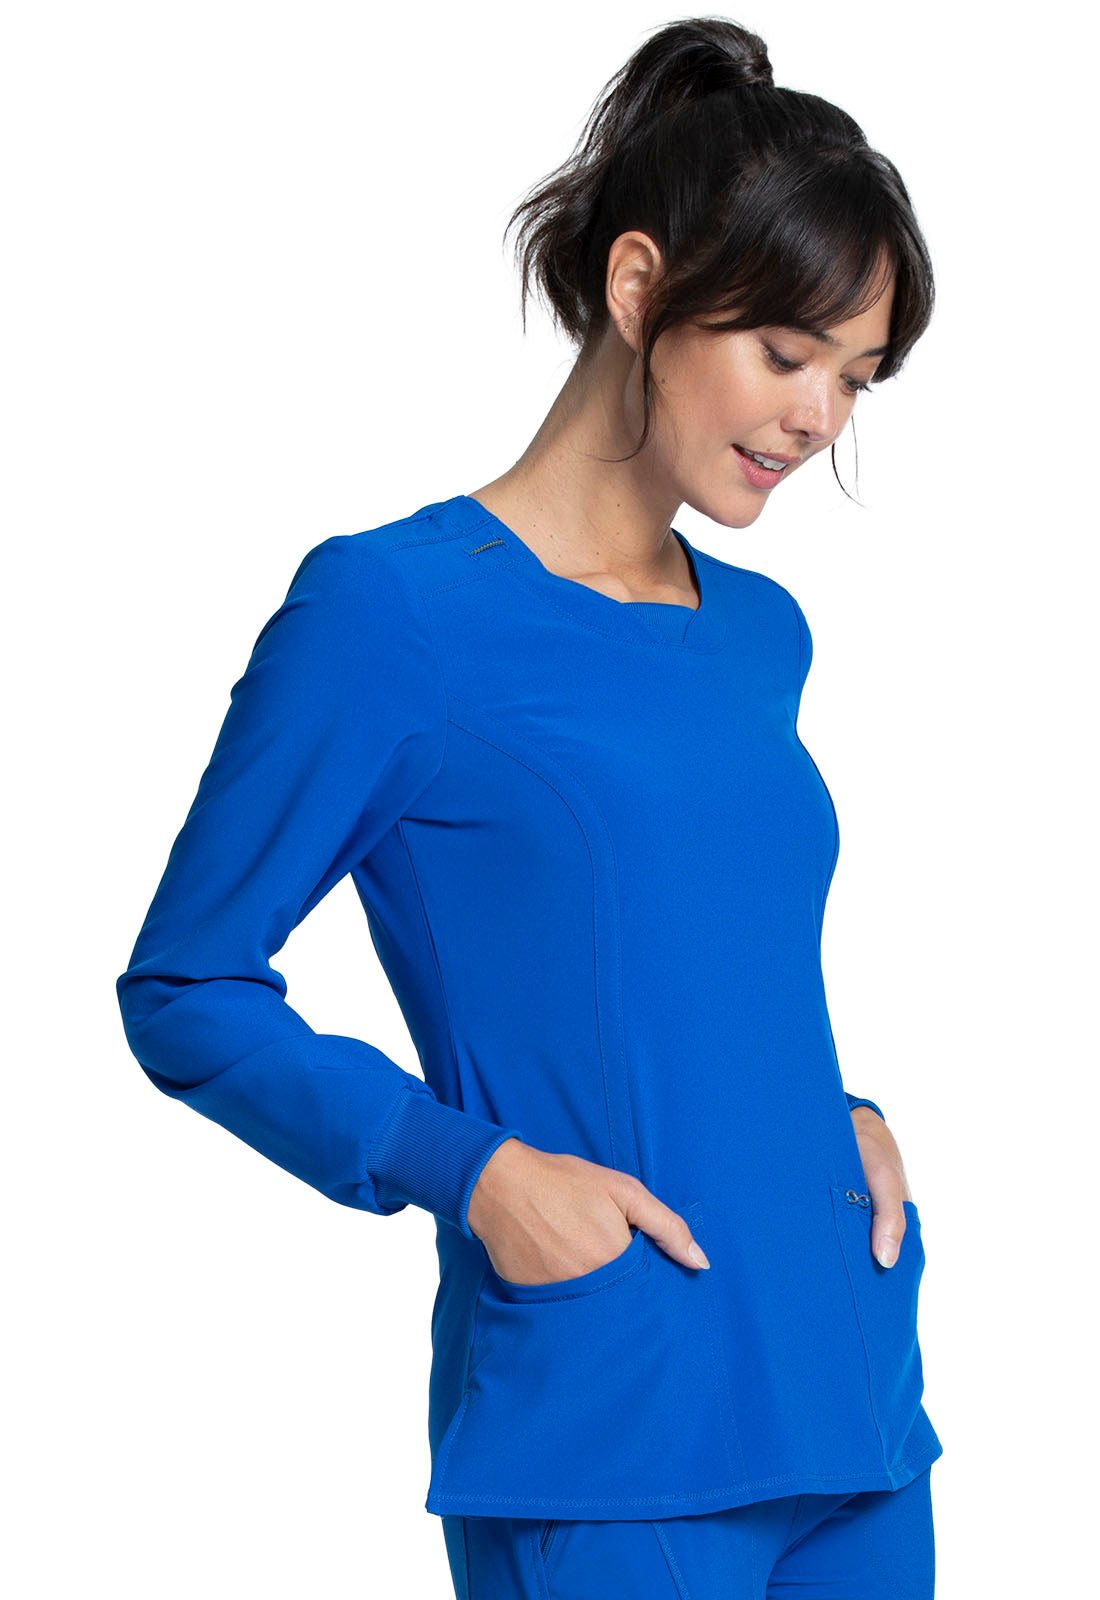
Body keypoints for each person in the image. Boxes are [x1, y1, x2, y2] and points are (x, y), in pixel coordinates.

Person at [115, 15, 943, 1599]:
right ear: (638, 287)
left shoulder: (758, 633)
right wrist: (472, 1172)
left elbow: (706, 958)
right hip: (613, 1426)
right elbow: (185, 988)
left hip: (850, 1395)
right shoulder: (391, 615)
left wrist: (835, 1116)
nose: (820, 417)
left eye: (856, 376)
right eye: (787, 355)